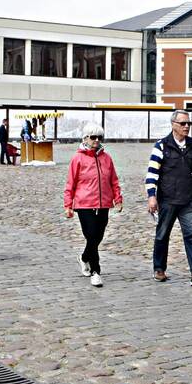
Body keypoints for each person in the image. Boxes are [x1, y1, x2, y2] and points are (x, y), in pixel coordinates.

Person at [145, 110, 192, 286]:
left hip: (188, 199)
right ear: (173, 125)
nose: (186, 127)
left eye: (188, 123)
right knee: (162, 235)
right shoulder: (161, 146)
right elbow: (152, 173)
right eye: (182, 123)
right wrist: (152, 196)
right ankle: (159, 269)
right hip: (167, 199)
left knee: (191, 235)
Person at [63, 123, 123, 288]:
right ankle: (96, 272)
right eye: (93, 137)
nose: (96, 140)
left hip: (104, 203)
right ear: (85, 138)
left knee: (98, 236)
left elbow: (114, 180)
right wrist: (68, 205)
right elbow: (71, 183)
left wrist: (118, 199)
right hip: (84, 203)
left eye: (99, 137)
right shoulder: (78, 158)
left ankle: (83, 258)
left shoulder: (106, 158)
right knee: (91, 235)